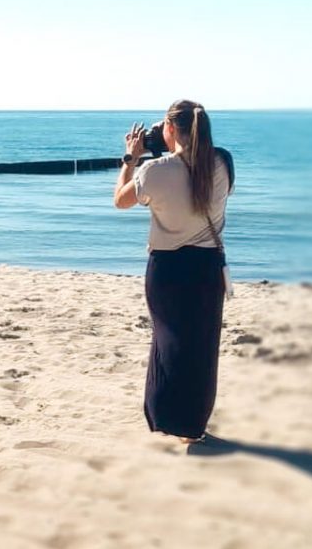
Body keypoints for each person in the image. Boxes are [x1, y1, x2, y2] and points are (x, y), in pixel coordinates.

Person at [113, 99, 235, 443]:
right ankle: (192, 428)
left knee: (169, 344)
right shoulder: (223, 163)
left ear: (169, 129)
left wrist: (130, 159)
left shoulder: (155, 171)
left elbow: (119, 201)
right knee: (202, 347)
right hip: (208, 268)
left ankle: (168, 417)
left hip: (167, 270)